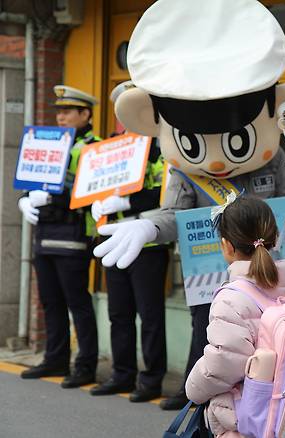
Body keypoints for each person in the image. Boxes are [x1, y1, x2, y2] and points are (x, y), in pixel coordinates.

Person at [185, 195, 285, 437]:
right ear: (275, 239)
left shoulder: (231, 299)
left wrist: (193, 389)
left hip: (248, 420)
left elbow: (222, 364)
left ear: (226, 245)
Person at [88, 81, 170, 402]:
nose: (123, 116)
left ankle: (151, 381)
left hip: (148, 241)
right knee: (118, 312)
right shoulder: (109, 147)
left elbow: (165, 193)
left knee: (150, 315)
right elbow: (91, 185)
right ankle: (122, 374)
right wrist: (94, 201)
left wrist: (126, 204)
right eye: (119, 109)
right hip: (113, 240)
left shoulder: (159, 147)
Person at [18, 85, 102, 388]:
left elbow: (92, 192)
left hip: (73, 233)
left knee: (76, 301)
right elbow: (34, 178)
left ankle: (85, 365)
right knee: (50, 301)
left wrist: (53, 199)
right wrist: (26, 198)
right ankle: (55, 358)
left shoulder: (96, 147)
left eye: (68, 111)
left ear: (85, 113)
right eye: (59, 111)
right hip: (44, 233)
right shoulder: (47, 142)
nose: (61, 116)